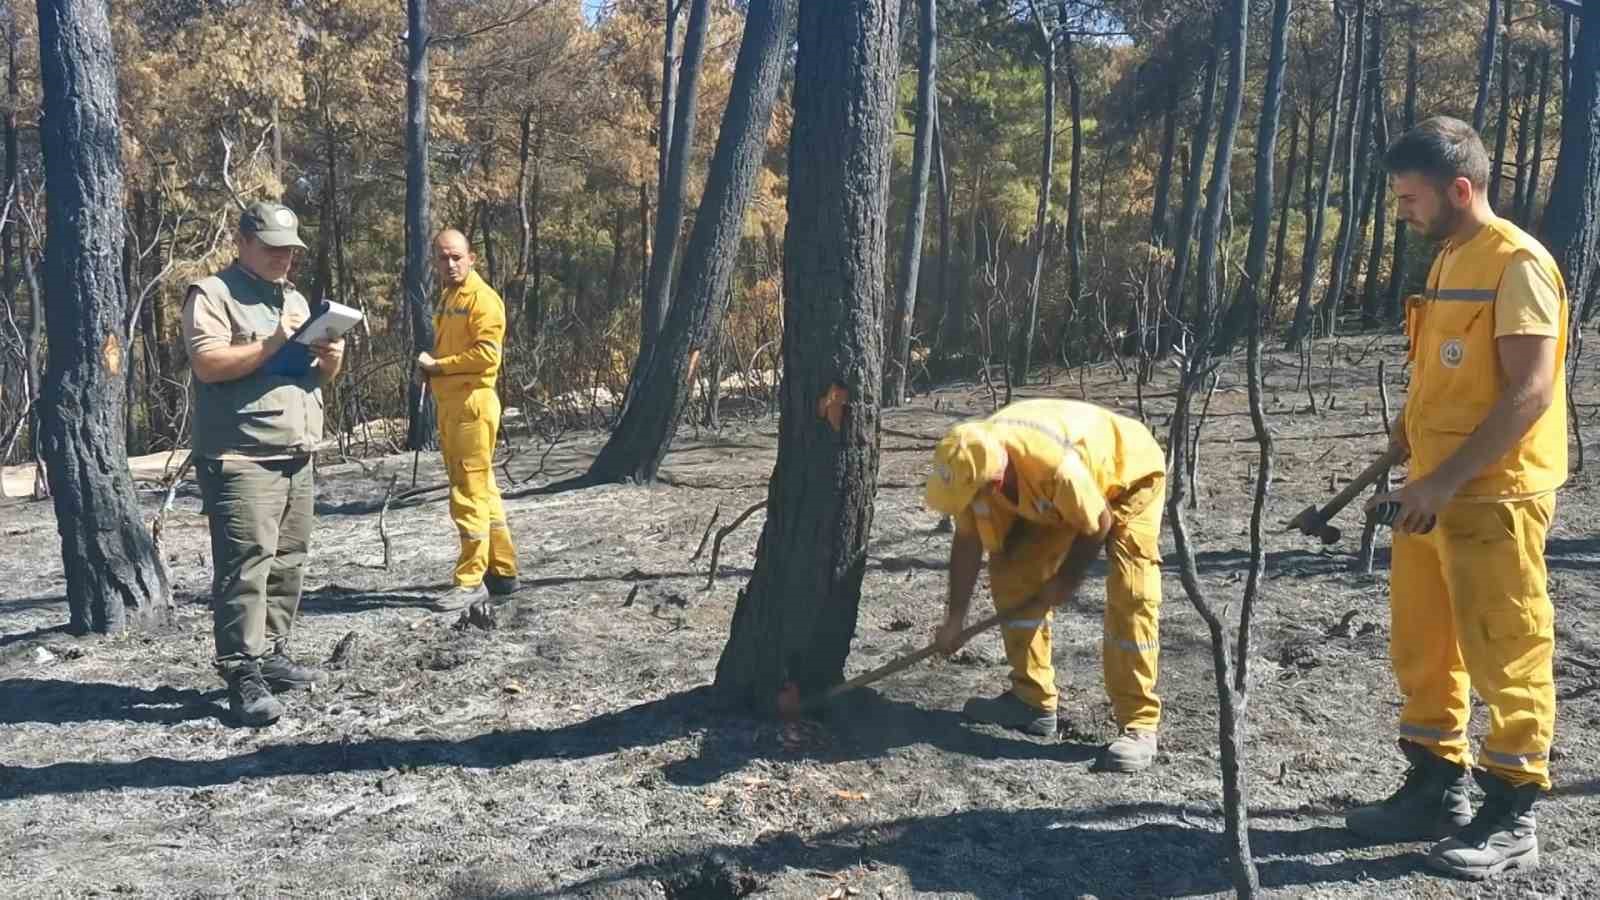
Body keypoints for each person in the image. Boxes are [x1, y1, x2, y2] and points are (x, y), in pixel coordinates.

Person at [1345, 116, 1567, 881]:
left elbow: (1529, 392)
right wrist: (1409, 450)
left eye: (1410, 198)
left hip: (1492, 495)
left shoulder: (1519, 265)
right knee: (1427, 644)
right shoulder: (1448, 260)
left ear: (1460, 190)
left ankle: (1513, 812)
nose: (1401, 211)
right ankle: (1436, 787)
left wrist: (1444, 480)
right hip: (1429, 491)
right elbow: (1443, 375)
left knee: (1505, 648)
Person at [924, 398, 1167, 772]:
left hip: (1129, 475)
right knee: (1011, 571)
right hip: (1065, 495)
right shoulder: (973, 465)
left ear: (992, 480)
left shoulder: (1055, 467)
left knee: (1132, 593)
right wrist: (954, 618)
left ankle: (1140, 724)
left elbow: (1098, 522)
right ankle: (1032, 701)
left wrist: (1065, 580)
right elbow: (968, 541)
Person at [183, 201, 344, 726]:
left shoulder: (293, 298)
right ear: (243, 242)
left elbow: (301, 378)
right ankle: (241, 670)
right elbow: (207, 364)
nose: (283, 259)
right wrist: (270, 342)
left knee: (287, 560)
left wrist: (330, 363)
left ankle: (272, 653)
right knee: (246, 565)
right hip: (242, 455)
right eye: (272, 248)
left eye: (289, 250)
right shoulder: (214, 294)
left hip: (296, 451)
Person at [416, 229, 520, 611]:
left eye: (457, 257)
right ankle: (503, 571)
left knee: (468, 493)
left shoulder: (483, 300)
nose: (451, 264)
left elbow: (486, 357)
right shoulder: (448, 297)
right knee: (484, 490)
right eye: (443, 258)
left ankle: (470, 580)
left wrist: (438, 366)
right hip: (452, 405)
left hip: (472, 406)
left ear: (472, 257)